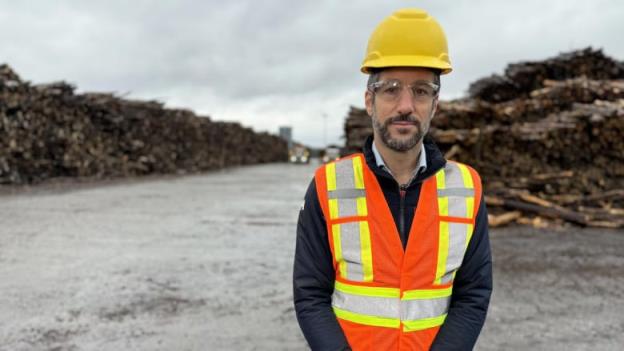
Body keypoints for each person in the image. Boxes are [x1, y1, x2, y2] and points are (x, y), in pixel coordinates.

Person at [293, 8, 492, 351]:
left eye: (420, 91)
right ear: (369, 100)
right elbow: (310, 295)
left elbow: (473, 295)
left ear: (435, 105)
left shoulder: (467, 188)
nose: (405, 105)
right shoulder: (329, 185)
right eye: (390, 90)